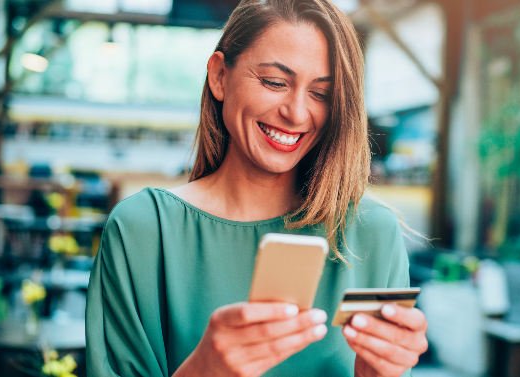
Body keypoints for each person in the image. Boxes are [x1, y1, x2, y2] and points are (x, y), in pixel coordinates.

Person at [85, 0, 428, 376]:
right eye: (275, 82)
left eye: (321, 94)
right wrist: (203, 370)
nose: (297, 113)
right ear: (219, 76)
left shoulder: (371, 233)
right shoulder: (144, 230)